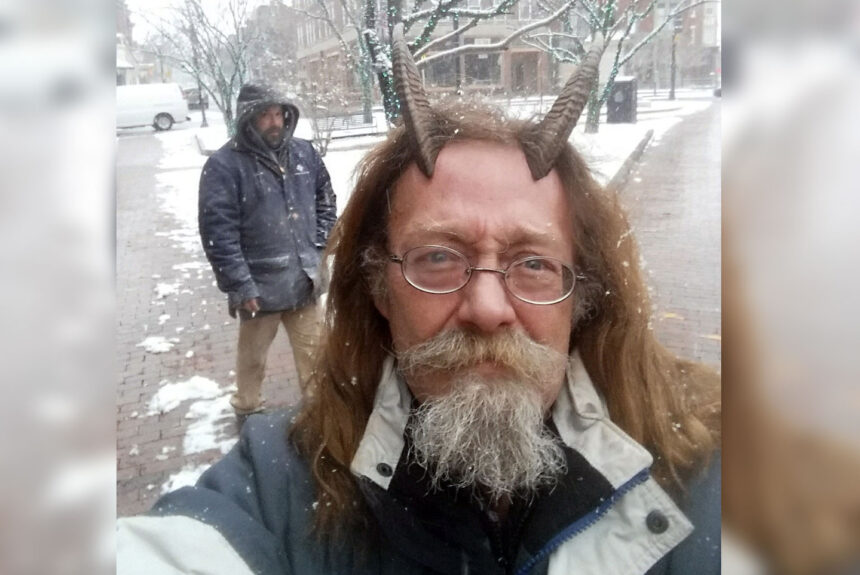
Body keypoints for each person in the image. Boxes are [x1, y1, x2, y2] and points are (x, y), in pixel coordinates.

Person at [118, 27, 720, 574]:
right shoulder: (279, 484)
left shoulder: (714, 468)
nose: (488, 308)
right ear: (379, 286)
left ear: (581, 296)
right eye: (437, 257)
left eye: (534, 264)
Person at [198, 83, 337, 416]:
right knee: (253, 361)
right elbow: (219, 232)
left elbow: (326, 201)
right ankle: (247, 408)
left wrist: (319, 244)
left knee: (315, 357)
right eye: (265, 115)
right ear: (248, 118)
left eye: (279, 114)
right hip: (259, 289)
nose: (275, 122)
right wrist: (240, 284)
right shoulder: (224, 165)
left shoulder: (304, 153)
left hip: (304, 280)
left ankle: (319, 414)